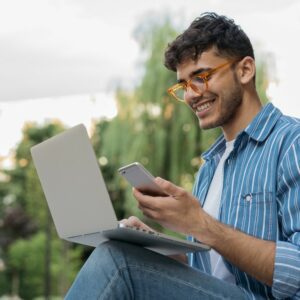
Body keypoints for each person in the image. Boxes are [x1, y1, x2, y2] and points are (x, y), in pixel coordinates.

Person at [66, 12, 300, 299]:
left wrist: (200, 223)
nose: (191, 95)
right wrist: (156, 248)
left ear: (245, 70)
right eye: (184, 85)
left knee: (117, 261)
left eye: (201, 77)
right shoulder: (210, 168)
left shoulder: (291, 143)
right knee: (121, 251)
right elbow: (209, 277)